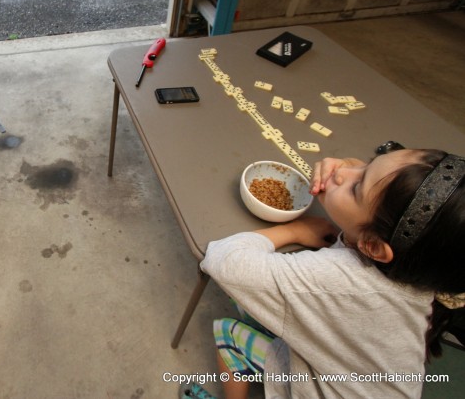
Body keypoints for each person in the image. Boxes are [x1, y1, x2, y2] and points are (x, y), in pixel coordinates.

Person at [181, 145, 465, 399]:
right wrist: (359, 181)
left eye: (356, 187)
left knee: (228, 331)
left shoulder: (338, 280)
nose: (344, 171)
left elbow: (223, 261)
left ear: (374, 247)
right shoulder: (422, 265)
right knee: (247, 302)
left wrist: (293, 230)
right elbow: (375, 209)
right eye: (366, 163)